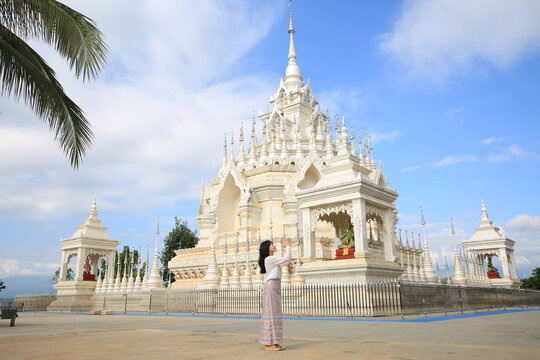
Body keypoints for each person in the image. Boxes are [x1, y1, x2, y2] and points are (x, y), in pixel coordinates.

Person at [258, 237, 291, 351]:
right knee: (271, 313)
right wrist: (287, 246)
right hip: (271, 285)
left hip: (275, 285)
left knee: (275, 313)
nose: (274, 245)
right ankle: (268, 342)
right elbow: (287, 259)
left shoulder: (273, 259)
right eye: (272, 244)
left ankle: (275, 341)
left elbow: (285, 261)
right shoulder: (269, 259)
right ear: (268, 248)